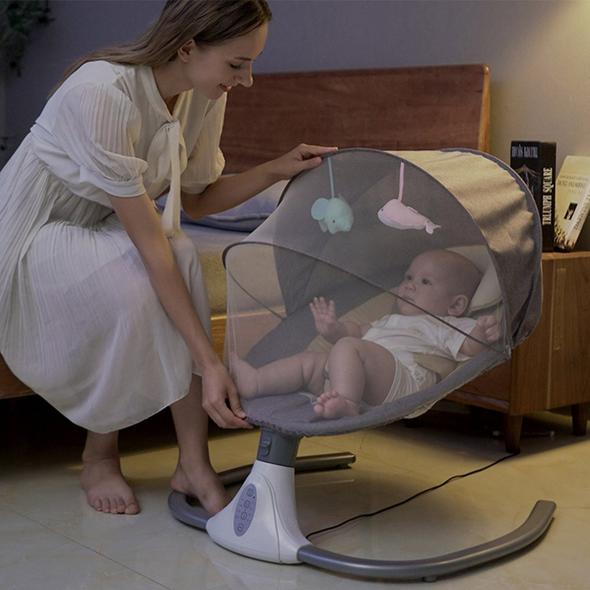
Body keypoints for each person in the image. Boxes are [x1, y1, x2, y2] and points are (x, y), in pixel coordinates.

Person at [0, 0, 337, 516]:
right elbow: (148, 245)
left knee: (181, 248)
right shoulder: (102, 92)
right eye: (237, 64)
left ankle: (194, 462)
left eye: (250, 64)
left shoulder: (203, 93)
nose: (246, 80)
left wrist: (277, 168)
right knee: (147, 276)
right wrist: (209, 362)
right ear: (186, 48)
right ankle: (99, 454)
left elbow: (198, 199)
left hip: (99, 226)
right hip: (33, 230)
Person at [232, 249, 501, 419]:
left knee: (349, 347)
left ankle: (347, 403)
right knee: (310, 360)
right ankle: (257, 381)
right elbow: (358, 331)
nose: (409, 286)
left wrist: (481, 332)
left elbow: (470, 348)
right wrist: (333, 329)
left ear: (456, 305)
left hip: (402, 380)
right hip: (360, 376)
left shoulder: (444, 325)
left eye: (425, 282)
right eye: (408, 277)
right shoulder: (390, 319)